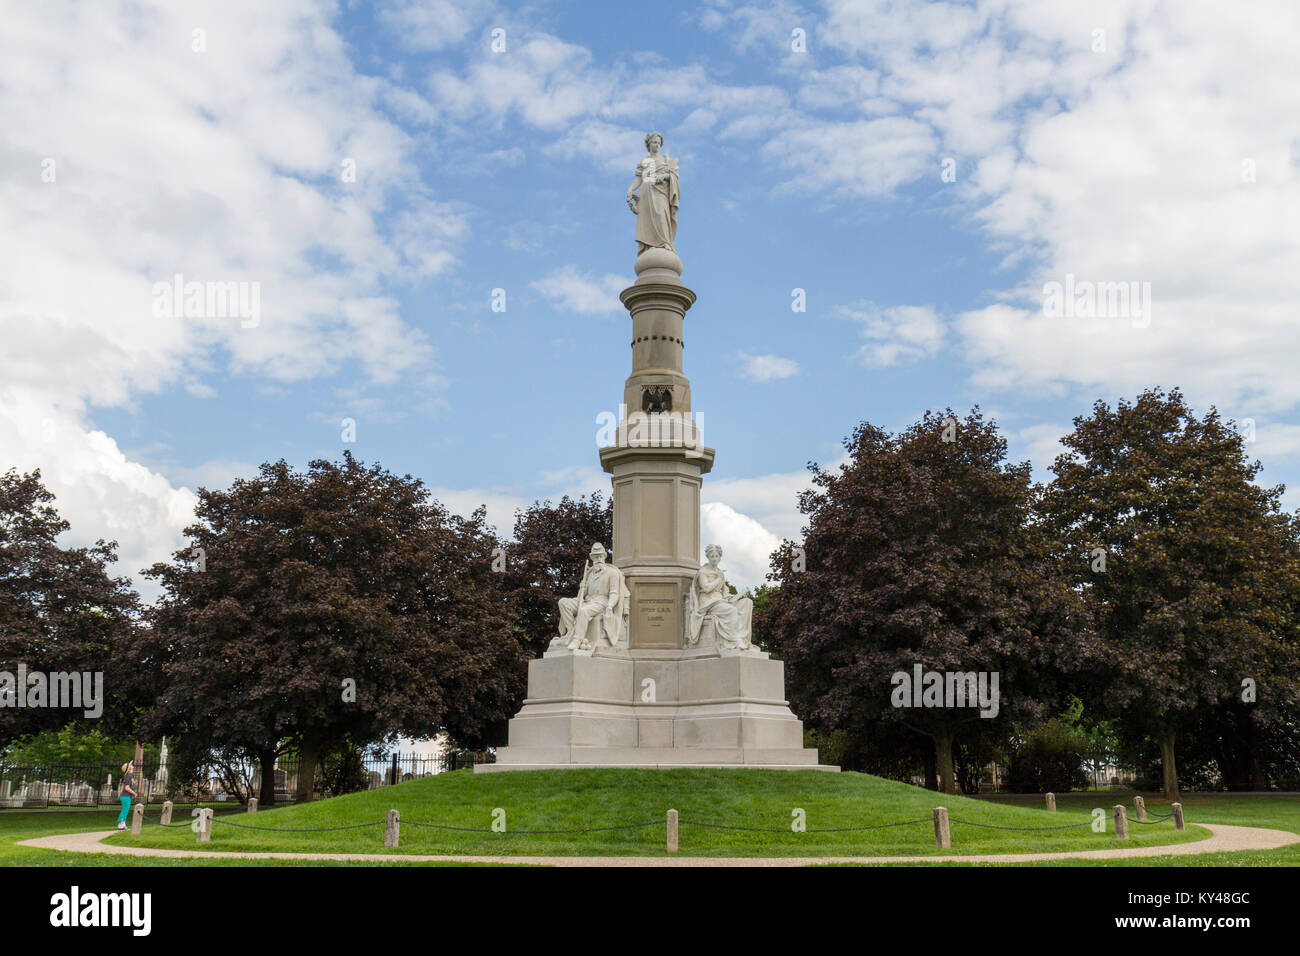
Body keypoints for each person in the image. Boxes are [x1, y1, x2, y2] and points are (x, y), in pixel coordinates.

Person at [626, 132, 679, 255]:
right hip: (646, 192)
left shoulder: (665, 159)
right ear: (649, 144)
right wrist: (630, 189)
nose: (657, 145)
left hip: (660, 192)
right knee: (647, 219)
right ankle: (650, 245)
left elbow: (674, 176)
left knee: (661, 213)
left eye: (659, 143)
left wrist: (664, 176)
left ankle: (665, 242)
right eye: (655, 142)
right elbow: (639, 179)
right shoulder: (645, 161)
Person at [117, 759, 137, 830]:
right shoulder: (129, 776)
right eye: (131, 765)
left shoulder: (129, 775)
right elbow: (127, 788)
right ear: (129, 768)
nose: (132, 765)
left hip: (125, 796)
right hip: (126, 796)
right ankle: (121, 825)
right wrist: (134, 793)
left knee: (124, 810)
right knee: (125, 810)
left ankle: (121, 824)